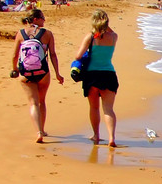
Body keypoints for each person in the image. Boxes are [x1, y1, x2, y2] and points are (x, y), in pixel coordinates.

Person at [11, 8, 64, 143]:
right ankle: (43, 129)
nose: (44, 20)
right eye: (42, 18)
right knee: (41, 101)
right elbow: (52, 55)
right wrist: (57, 73)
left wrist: (15, 69)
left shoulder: (20, 33)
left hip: (26, 73)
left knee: (33, 103)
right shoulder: (47, 34)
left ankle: (38, 131)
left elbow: (14, 55)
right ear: (35, 19)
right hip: (43, 72)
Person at [75, 9, 119, 147]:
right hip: (108, 74)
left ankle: (96, 135)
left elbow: (78, 56)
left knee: (94, 107)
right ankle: (111, 137)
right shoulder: (113, 36)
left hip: (92, 75)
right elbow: (109, 31)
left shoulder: (90, 37)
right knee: (108, 109)